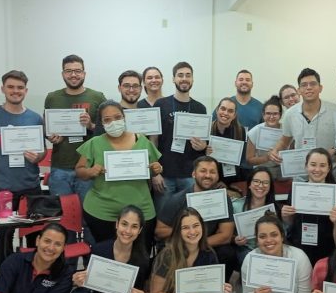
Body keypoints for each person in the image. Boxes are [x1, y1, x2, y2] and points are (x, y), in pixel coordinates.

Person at [139, 208, 233, 293]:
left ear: (202, 227)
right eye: (185, 228)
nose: (192, 231)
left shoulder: (208, 253)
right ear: (178, 231)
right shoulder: (167, 255)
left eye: (195, 226)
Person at [0, 70, 46, 265]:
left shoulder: (35, 118)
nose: (15, 91)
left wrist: (38, 156)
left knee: (35, 234)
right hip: (2, 188)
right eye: (11, 87)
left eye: (20, 87)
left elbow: (42, 152)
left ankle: (33, 274)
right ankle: (6, 276)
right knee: (5, 235)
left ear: (26, 90)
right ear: (3, 89)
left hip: (31, 186)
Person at [75, 100, 162, 248]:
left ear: (124, 117)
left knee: (141, 254)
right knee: (107, 253)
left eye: (117, 117)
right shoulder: (95, 143)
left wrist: (157, 169)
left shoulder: (142, 140)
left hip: (141, 210)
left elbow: (154, 168)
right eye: (107, 120)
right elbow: (79, 170)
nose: (113, 123)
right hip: (102, 211)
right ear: (102, 123)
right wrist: (90, 171)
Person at [70, 205, 150, 293]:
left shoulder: (143, 259)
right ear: (116, 224)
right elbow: (89, 283)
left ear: (139, 231)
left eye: (134, 226)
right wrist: (80, 280)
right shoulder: (98, 249)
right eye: (124, 224)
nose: (127, 231)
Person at [155, 156, 238, 282]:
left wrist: (198, 244)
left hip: (207, 244)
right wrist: (186, 234)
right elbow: (160, 231)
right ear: (194, 174)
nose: (207, 175)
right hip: (182, 243)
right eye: (203, 171)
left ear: (217, 176)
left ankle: (218, 287)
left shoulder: (223, 199)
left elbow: (226, 235)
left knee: (228, 253)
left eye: (212, 172)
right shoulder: (178, 199)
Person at [44, 54, 105, 204]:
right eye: (68, 71)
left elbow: (107, 131)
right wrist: (51, 136)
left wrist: (91, 126)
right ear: (63, 74)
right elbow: (47, 127)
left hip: (88, 167)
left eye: (78, 71)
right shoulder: (52, 98)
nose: (73, 75)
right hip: (60, 168)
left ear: (84, 73)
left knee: (88, 214)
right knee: (63, 214)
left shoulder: (97, 97)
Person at [151, 62, 208, 213]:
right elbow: (153, 140)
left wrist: (202, 146)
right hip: (165, 174)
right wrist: (155, 172)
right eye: (180, 75)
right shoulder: (161, 104)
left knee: (190, 216)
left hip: (190, 174)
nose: (184, 79)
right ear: (173, 79)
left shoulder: (200, 108)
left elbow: (205, 143)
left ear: (192, 79)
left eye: (188, 75)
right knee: (163, 216)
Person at [282, 148, 336, 265]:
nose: (317, 169)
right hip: (300, 250)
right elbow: (291, 223)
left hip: (328, 252)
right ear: (306, 166)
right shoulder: (296, 190)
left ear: (329, 168)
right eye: (313, 165)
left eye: (322, 165)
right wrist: (286, 216)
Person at [269, 68, 336, 179]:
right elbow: (284, 140)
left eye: (313, 84)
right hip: (301, 175)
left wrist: (334, 150)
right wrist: (275, 150)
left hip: (330, 175)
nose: (308, 88)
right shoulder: (290, 114)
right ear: (299, 90)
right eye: (304, 85)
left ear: (320, 88)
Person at [232, 169, 281, 265]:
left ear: (270, 187)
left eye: (265, 182)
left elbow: (283, 234)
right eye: (256, 181)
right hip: (246, 248)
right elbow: (228, 234)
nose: (261, 185)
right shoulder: (236, 206)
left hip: (271, 247)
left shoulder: (275, 208)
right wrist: (235, 239)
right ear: (249, 184)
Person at [208, 97, 246, 185]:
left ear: (234, 115)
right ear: (217, 110)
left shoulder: (240, 131)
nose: (225, 113)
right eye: (223, 109)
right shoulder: (207, 129)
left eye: (230, 111)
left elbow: (241, 158)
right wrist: (205, 152)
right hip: (211, 179)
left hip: (233, 179)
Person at [245, 96, 285, 181]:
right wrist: (266, 158)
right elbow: (249, 160)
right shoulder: (255, 131)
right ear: (263, 115)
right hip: (261, 171)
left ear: (280, 115)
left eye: (275, 114)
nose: (271, 117)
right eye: (268, 113)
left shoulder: (286, 131)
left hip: (282, 172)